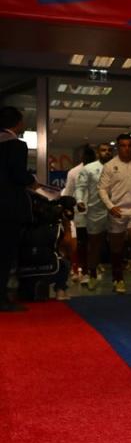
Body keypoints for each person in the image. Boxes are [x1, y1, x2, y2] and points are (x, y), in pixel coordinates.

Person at [98, 133, 131, 293]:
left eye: (129, 145)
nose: (126, 149)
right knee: (117, 248)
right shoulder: (109, 166)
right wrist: (110, 206)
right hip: (117, 211)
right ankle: (118, 280)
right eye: (123, 145)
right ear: (118, 147)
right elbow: (101, 189)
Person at [0, 107, 36, 312]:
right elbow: (18, 176)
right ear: (17, 123)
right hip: (7, 208)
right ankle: (2, 298)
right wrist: (32, 182)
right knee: (5, 254)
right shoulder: (16, 146)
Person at [75, 143, 113, 290]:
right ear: (98, 153)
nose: (107, 153)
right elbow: (80, 187)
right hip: (95, 211)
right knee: (94, 245)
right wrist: (79, 201)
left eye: (110, 150)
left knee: (118, 244)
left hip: (116, 210)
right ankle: (91, 275)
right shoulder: (89, 169)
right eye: (103, 150)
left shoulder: (118, 167)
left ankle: (118, 278)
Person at [61, 145, 96, 282]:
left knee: (92, 243)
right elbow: (68, 192)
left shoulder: (100, 170)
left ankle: (88, 270)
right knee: (82, 242)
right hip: (80, 212)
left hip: (96, 212)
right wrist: (67, 208)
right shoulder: (74, 172)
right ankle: (83, 270)